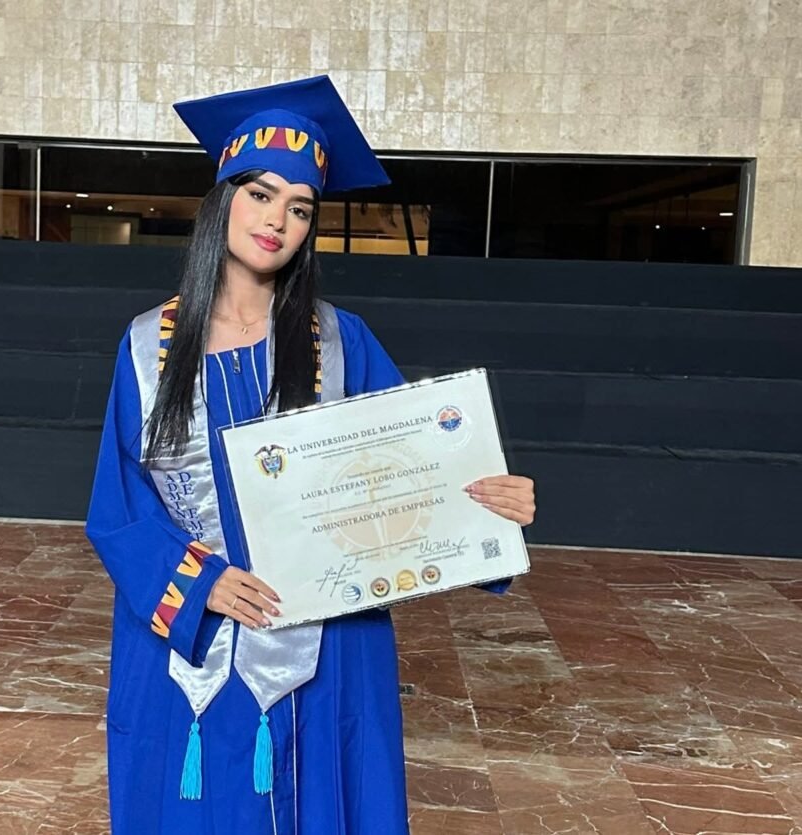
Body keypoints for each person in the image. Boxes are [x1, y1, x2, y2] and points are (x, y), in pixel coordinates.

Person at [86, 76, 536, 835]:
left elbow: (410, 471)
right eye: (261, 194)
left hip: (328, 643)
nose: (278, 220)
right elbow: (120, 505)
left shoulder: (340, 340)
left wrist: (488, 506)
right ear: (222, 199)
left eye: (300, 208)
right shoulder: (144, 348)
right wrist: (200, 583)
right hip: (195, 641)